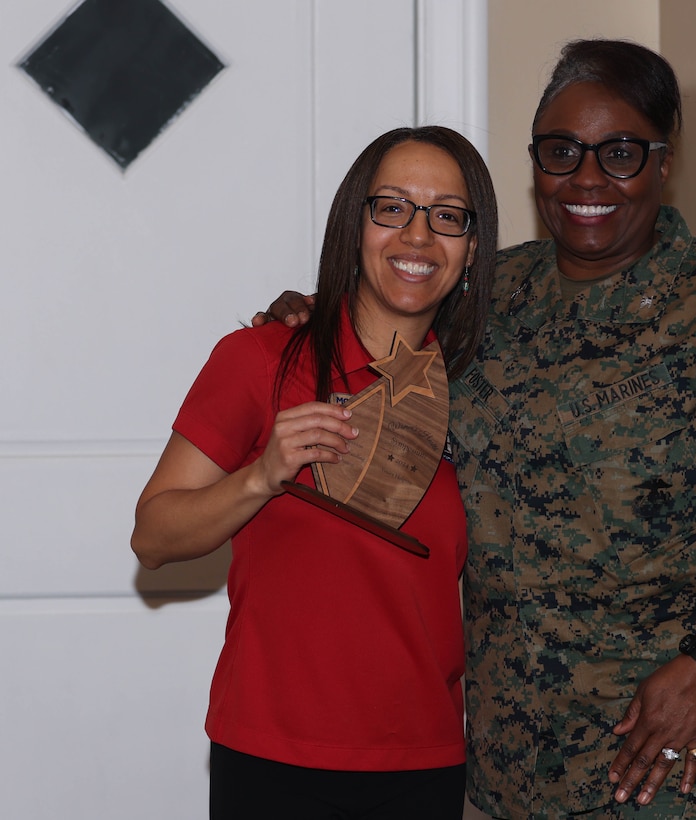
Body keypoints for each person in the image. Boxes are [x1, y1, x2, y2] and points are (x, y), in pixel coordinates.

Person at [257, 39, 696, 820]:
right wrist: (307, 317)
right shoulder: (486, 298)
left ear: (662, 163)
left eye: (620, 154)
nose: (587, 178)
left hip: (677, 749)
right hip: (514, 756)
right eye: (562, 151)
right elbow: (380, 326)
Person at [132, 126, 498, 820]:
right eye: (391, 207)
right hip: (271, 756)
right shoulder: (260, 358)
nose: (417, 236)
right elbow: (152, 537)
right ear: (354, 225)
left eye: (447, 216)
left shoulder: (483, 393)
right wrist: (260, 475)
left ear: (471, 247)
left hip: (422, 762)